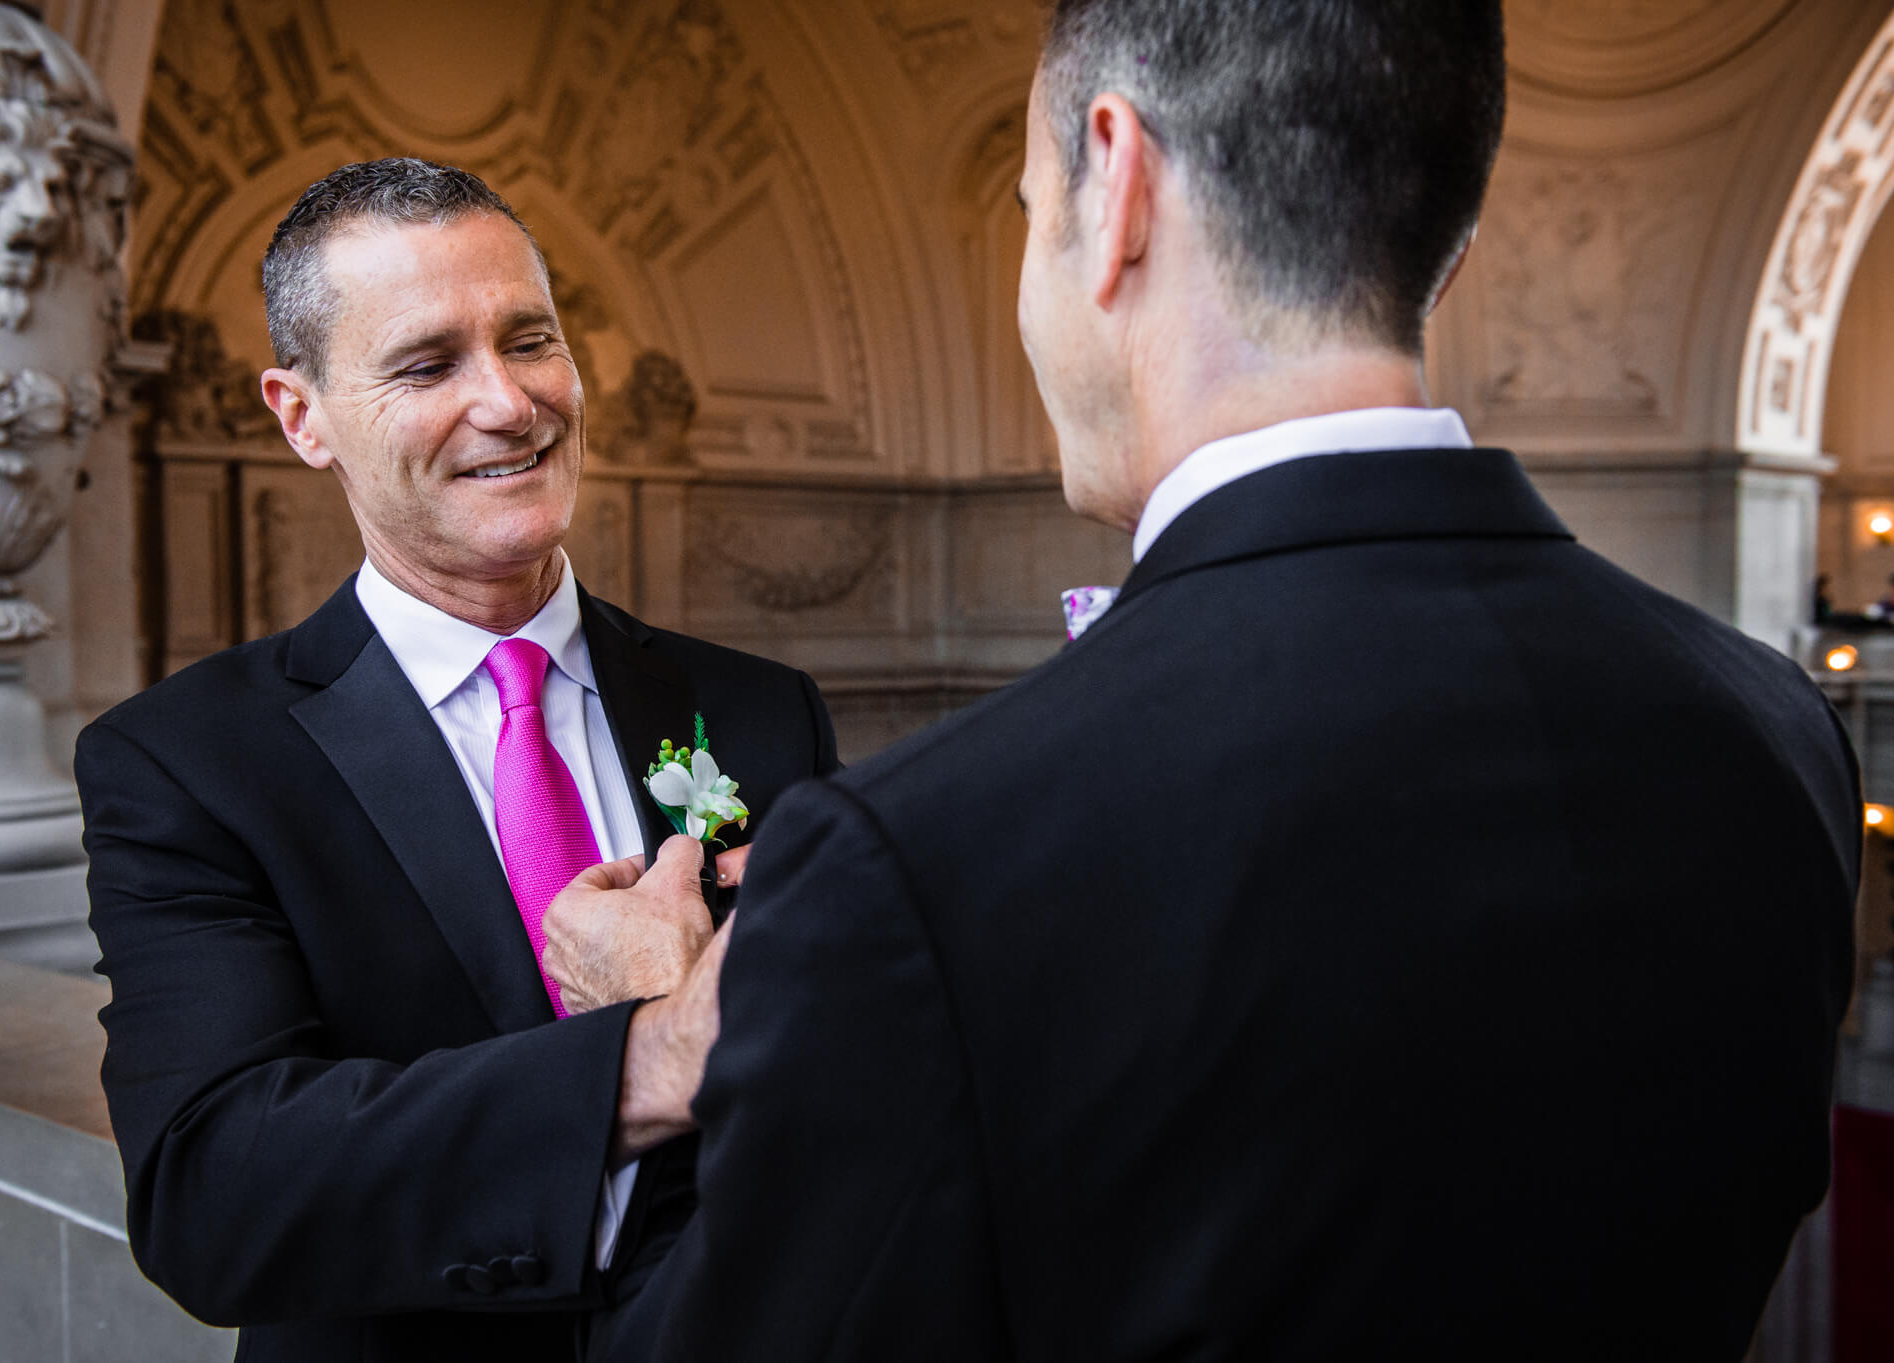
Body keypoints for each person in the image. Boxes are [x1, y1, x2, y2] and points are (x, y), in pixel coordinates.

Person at [547, 2, 1862, 1359]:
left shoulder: (914, 862)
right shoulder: (1775, 730)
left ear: (1115, 182)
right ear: (1446, 241)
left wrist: (664, 1036)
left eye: (1025, 203)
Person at [74, 159, 837, 1363]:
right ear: (300, 414)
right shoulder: (185, 763)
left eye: (529, 340)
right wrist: (656, 1048)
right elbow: (211, 1192)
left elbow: (856, 1086)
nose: (510, 402)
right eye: (428, 366)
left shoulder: (757, 710)